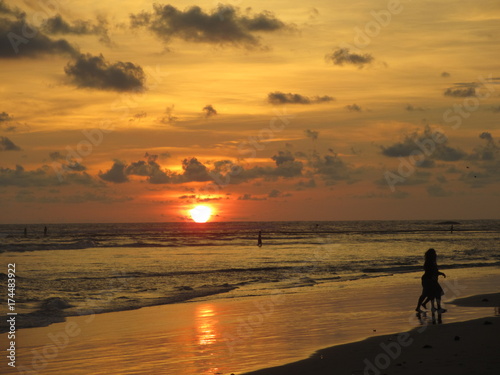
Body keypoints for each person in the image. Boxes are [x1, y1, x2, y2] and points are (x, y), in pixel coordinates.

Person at [415, 248, 447, 313]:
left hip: (430, 279)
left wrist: (440, 273)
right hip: (428, 280)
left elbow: (434, 271)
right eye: (434, 253)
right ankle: (438, 308)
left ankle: (434, 307)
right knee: (430, 293)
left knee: (432, 294)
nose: (435, 254)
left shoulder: (432, 261)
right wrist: (434, 276)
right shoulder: (428, 262)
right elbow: (429, 271)